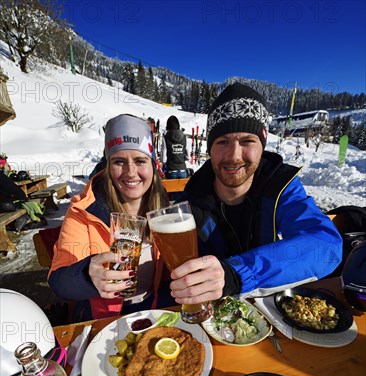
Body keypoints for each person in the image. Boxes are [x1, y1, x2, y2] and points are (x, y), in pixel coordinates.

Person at [168, 83, 343, 308]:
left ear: (262, 146)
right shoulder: (190, 200)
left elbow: (325, 245)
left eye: (247, 141)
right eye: (222, 142)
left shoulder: (279, 186)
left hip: (270, 314)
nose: (234, 155)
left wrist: (237, 274)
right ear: (209, 149)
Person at [48, 114, 173, 321]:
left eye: (140, 160)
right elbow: (59, 281)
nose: (131, 172)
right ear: (107, 166)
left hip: (155, 306)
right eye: (119, 161)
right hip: (104, 315)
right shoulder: (84, 211)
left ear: (153, 165)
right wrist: (87, 275)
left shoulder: (163, 204)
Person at [161, 115, 189, 179]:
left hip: (171, 170)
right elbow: (188, 157)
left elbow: (163, 159)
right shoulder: (184, 137)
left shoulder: (166, 138)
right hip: (182, 170)